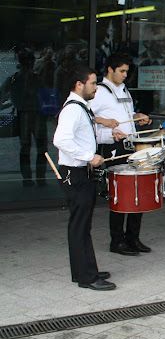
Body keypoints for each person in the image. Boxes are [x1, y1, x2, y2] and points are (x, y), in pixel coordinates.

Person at [53, 65, 115, 290]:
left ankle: (87, 269)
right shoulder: (73, 109)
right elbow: (61, 140)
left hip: (81, 172)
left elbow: (86, 134)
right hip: (75, 173)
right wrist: (89, 156)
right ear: (79, 84)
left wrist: (110, 132)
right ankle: (86, 277)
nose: (96, 87)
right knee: (79, 226)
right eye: (93, 83)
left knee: (83, 225)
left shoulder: (82, 107)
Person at [90, 53, 152, 256]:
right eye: (122, 71)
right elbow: (90, 120)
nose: (126, 75)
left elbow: (124, 116)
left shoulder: (124, 89)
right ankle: (117, 241)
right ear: (110, 69)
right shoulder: (98, 91)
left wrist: (137, 117)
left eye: (127, 71)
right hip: (113, 147)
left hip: (131, 145)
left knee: (137, 191)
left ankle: (133, 238)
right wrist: (109, 130)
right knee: (120, 194)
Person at [0, 49, 48, 186]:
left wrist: (7, 103)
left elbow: (2, 95)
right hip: (37, 116)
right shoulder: (37, 78)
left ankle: (28, 179)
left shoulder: (15, 78)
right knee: (40, 148)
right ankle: (40, 178)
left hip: (24, 116)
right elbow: (46, 96)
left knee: (26, 149)